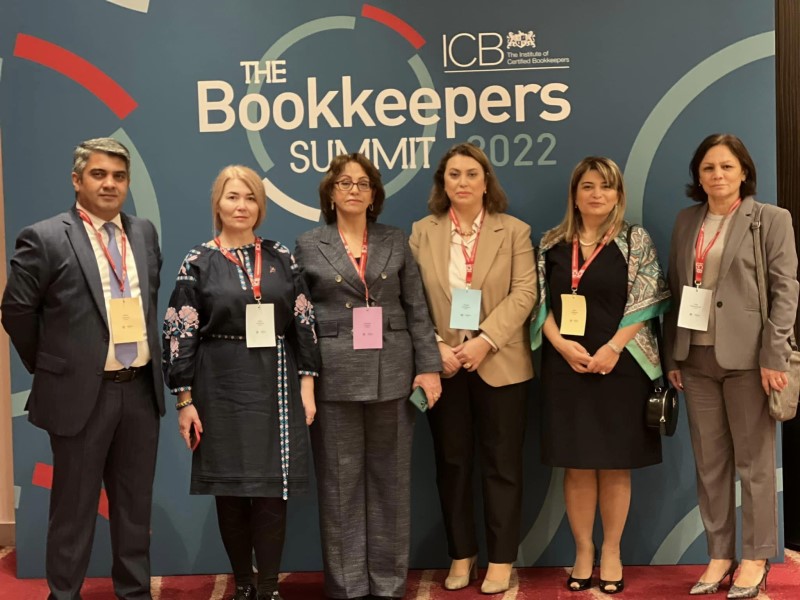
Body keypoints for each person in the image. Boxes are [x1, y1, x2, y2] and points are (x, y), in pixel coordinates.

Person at [1, 137, 165, 599]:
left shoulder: (144, 233)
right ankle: (64, 595)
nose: (110, 184)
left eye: (118, 176)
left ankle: (134, 594)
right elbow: (16, 311)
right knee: (72, 512)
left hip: (139, 391)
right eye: (98, 174)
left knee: (135, 511)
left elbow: (148, 303)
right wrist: (54, 365)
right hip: (79, 396)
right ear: (77, 180)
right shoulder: (46, 237)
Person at [162, 165, 320, 600]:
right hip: (218, 383)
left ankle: (268, 588)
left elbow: (304, 320)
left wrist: (307, 386)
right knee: (229, 490)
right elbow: (179, 331)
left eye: (250, 198)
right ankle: (244, 586)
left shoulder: (281, 256)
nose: (241, 206)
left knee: (272, 490)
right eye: (232, 196)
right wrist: (184, 399)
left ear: (260, 206)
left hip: (276, 384)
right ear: (218, 203)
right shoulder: (197, 261)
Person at [294, 153, 441, 600]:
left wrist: (428, 368)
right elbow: (301, 320)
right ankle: (348, 587)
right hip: (334, 377)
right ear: (330, 193)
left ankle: (389, 585)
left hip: (393, 375)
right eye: (344, 182)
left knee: (391, 485)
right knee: (340, 486)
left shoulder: (395, 239)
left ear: (374, 195)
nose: (354, 190)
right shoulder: (308, 243)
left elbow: (416, 307)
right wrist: (305, 378)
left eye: (363, 183)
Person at [663, 134, 798, 599]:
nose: (717, 175)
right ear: (698, 178)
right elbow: (676, 288)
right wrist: (673, 355)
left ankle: (756, 557)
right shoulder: (687, 221)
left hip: (750, 361)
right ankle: (719, 555)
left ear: (744, 172)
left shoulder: (771, 219)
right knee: (710, 464)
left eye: (726, 166)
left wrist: (773, 356)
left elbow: (786, 291)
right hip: (695, 358)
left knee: (755, 464)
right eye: (708, 168)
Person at [530, 156, 670, 594]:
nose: (597, 194)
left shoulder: (634, 240)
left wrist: (612, 348)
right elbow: (537, 304)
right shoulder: (551, 243)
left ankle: (611, 551)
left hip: (621, 365)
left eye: (606, 187)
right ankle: (582, 551)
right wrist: (559, 344)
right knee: (576, 464)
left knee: (614, 464)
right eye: (588, 186)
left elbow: (648, 298)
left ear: (618, 195)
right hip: (566, 365)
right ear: (574, 194)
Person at [409, 142, 536, 594]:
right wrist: (436, 346)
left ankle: (501, 560)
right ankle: (461, 554)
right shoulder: (422, 232)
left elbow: (525, 292)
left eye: (471, 174)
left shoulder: (514, 231)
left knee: (503, 466)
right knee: (452, 464)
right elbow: (411, 298)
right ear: (442, 184)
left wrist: (485, 340)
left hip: (500, 362)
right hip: (444, 366)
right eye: (453, 175)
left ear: (486, 183)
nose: (462, 182)